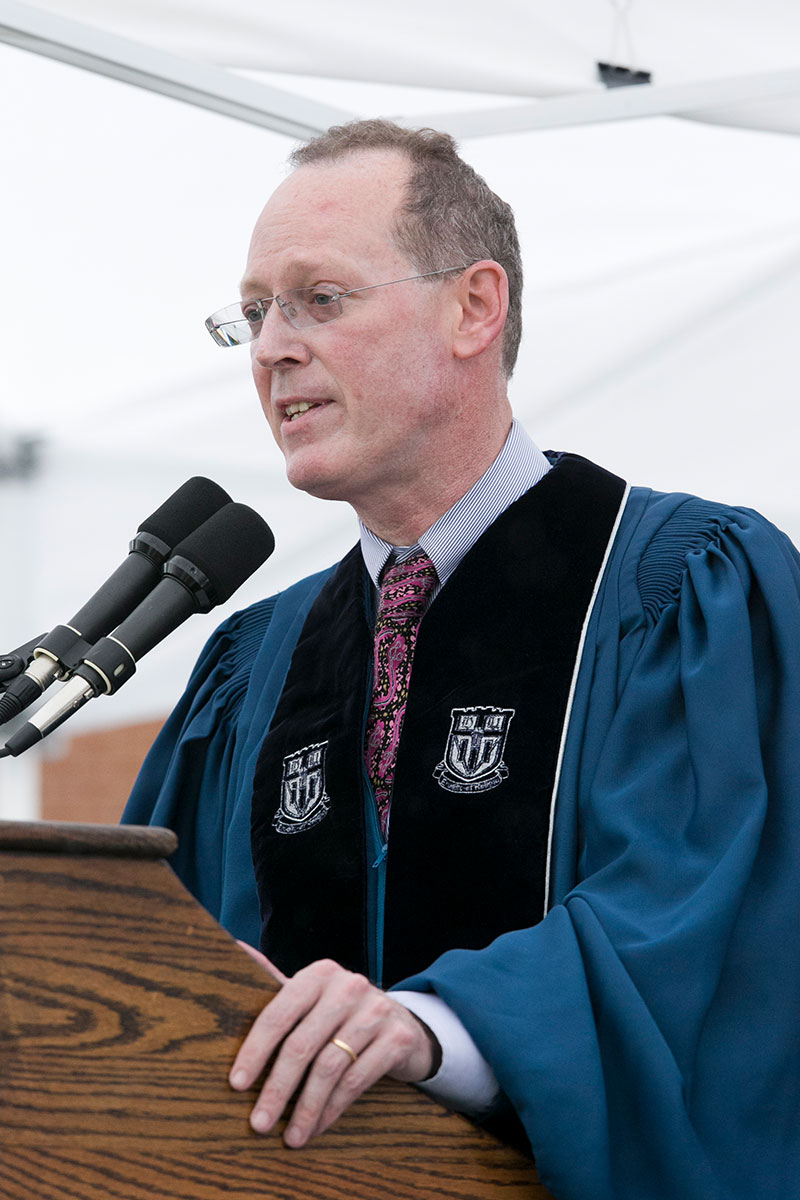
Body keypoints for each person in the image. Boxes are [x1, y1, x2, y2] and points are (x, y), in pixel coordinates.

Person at [124, 120, 800, 1200]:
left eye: (319, 299)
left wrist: (436, 1027)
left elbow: (708, 923)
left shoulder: (684, 589)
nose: (271, 348)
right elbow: (146, 974)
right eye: (254, 313)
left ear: (472, 307)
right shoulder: (252, 666)